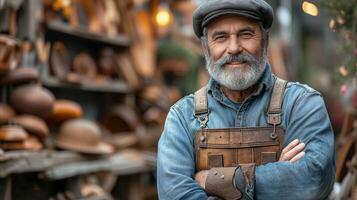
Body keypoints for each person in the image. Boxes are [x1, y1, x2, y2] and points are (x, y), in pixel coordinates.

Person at [157, 0, 335, 199]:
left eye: (245, 34)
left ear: (264, 42)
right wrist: (277, 177)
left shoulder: (301, 104)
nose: (233, 48)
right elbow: (174, 195)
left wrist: (211, 181)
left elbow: (314, 181)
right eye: (221, 37)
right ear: (206, 48)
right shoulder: (181, 117)